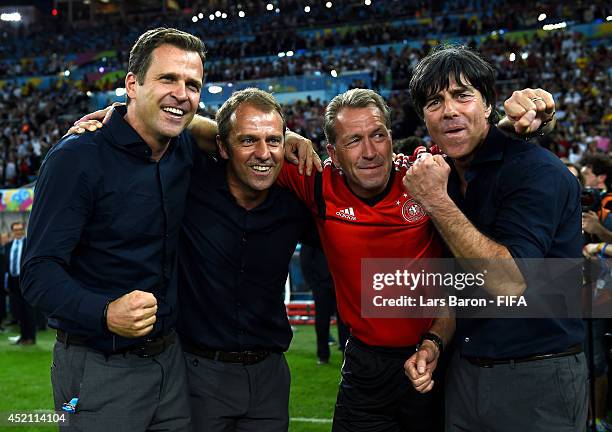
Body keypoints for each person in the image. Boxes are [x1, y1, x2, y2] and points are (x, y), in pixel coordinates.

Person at [21, 27, 206, 431]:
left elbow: (218, 129)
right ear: (132, 84)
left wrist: (291, 138)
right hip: (97, 366)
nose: (182, 92)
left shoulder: (184, 149)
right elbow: (37, 273)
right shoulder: (76, 158)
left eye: (192, 84)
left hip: (171, 364)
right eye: (168, 78)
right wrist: (104, 313)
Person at [404, 45, 587, 432]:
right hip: (465, 373)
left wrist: (436, 200)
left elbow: (507, 281)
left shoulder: (537, 172)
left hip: (538, 378)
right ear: (424, 117)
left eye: (462, 95)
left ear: (488, 105)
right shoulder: (446, 175)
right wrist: (435, 342)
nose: (449, 109)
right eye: (435, 101)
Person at [177, 88, 315, 432]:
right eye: (248, 140)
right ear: (222, 147)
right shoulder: (189, 185)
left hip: (269, 379)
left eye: (273, 140)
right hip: (197, 375)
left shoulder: (296, 205)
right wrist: (119, 110)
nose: (263, 153)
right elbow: (173, 118)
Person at [299, 242, 349, 365]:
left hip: (340, 283)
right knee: (322, 321)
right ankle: (323, 355)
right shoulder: (313, 233)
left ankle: (346, 355)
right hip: (321, 285)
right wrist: (313, 284)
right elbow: (304, 259)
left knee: (344, 322)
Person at [6, 221, 34, 344]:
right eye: (15, 229)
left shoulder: (29, 244)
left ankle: (30, 337)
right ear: (13, 231)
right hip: (13, 281)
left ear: (23, 230)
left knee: (28, 309)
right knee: (18, 310)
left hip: (25, 281)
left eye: (20, 229)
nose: (18, 232)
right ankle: (23, 336)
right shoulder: (8, 245)